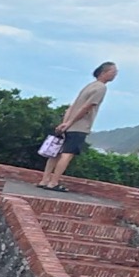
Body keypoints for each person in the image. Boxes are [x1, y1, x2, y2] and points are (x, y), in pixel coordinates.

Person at [38, 62, 118, 192]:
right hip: (80, 126)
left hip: (68, 124)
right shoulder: (101, 88)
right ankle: (53, 182)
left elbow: (72, 106)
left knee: (55, 153)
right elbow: (87, 107)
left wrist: (65, 123)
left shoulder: (89, 86)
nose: (115, 74)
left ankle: (44, 180)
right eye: (113, 72)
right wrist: (70, 123)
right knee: (67, 154)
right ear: (103, 73)